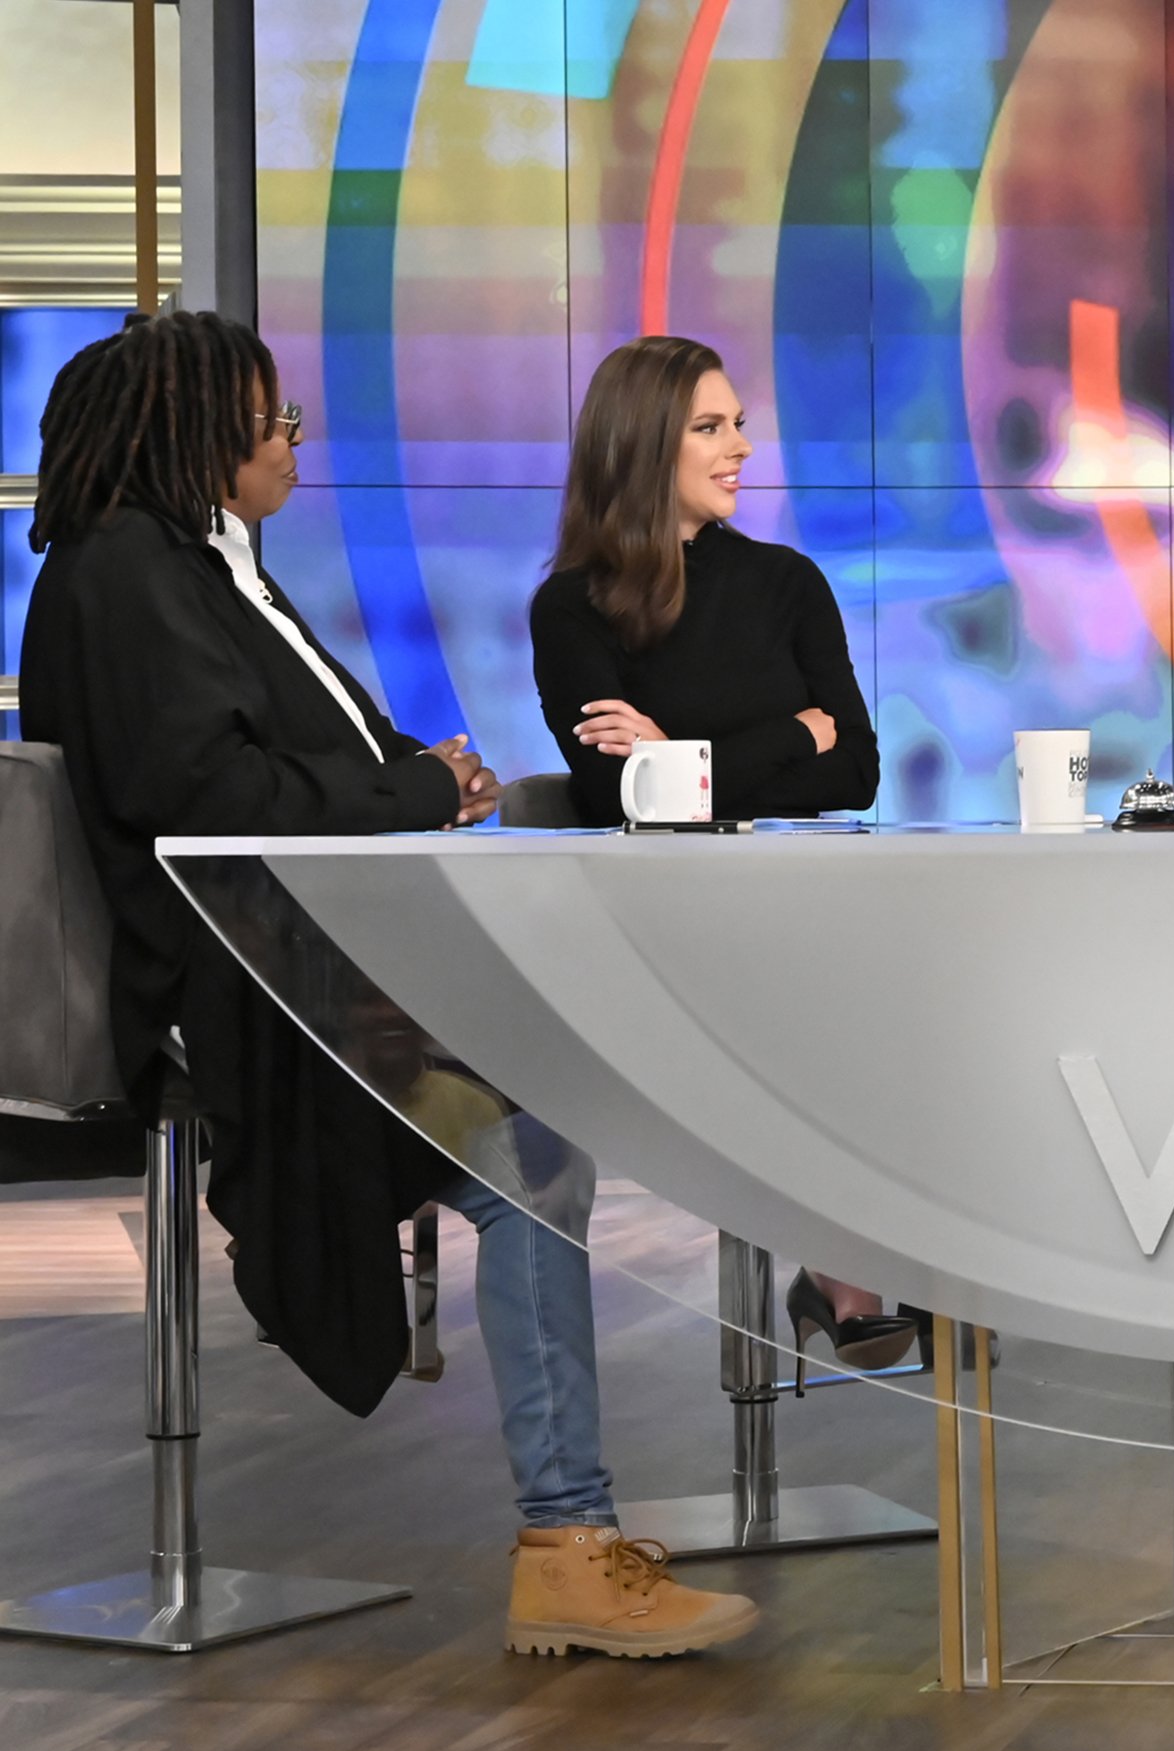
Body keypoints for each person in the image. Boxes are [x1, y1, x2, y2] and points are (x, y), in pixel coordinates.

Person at [19, 312, 755, 1656]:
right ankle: (566, 1542)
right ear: (198, 436)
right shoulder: (130, 572)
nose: (290, 441)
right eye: (271, 419)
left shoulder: (193, 567)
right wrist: (415, 787)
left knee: (541, 1125)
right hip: (238, 990)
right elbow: (210, 786)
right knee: (531, 1150)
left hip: (297, 963)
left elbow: (293, 744)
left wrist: (418, 773)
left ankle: (570, 1533)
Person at [528, 335, 906, 1371]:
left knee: (886, 971)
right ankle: (848, 1261)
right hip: (655, 923)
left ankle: (853, 1255)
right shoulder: (575, 606)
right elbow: (618, 793)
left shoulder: (787, 582)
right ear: (645, 445)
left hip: (786, 900)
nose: (741, 445)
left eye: (738, 422)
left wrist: (682, 759)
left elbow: (857, 769)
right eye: (711, 427)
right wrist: (792, 734)